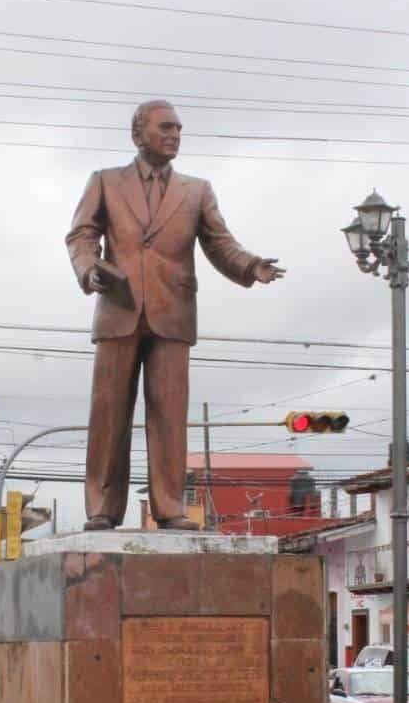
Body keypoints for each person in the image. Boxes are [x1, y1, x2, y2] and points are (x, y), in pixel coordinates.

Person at [65, 100, 284, 531]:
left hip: (174, 313)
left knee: (169, 416)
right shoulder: (105, 182)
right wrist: (90, 269)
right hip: (118, 307)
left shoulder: (196, 190)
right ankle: (103, 508)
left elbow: (221, 243)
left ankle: (169, 507)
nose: (174, 135)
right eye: (165, 127)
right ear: (137, 134)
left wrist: (250, 265)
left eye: (179, 129)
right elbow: (82, 234)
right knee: (109, 415)